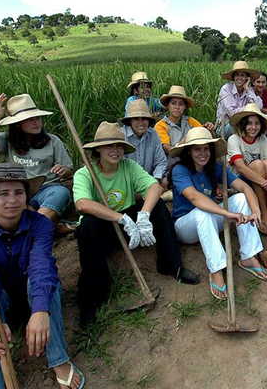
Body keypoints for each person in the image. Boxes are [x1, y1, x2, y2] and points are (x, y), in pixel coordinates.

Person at [0, 163, 84, 389]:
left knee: (49, 283)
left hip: (35, 298)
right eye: (4, 194)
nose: (13, 200)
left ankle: (58, 359)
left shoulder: (39, 224)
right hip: (4, 303)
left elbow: (42, 266)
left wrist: (39, 310)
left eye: (19, 192)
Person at [73, 122, 199, 326]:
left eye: (119, 146)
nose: (115, 151)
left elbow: (154, 187)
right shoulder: (85, 173)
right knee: (88, 224)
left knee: (157, 205)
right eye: (109, 146)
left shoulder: (128, 167)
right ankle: (93, 297)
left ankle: (171, 265)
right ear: (97, 148)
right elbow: (82, 204)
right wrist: (119, 218)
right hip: (102, 229)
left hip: (129, 224)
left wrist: (143, 216)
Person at [168, 127, 267, 300]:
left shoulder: (216, 168)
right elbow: (194, 197)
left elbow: (244, 187)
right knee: (202, 212)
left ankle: (249, 256)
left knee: (240, 199)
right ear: (189, 151)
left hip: (211, 218)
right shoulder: (180, 170)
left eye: (206, 148)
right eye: (197, 149)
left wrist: (255, 211)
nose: (203, 153)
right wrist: (227, 213)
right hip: (185, 226)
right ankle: (216, 269)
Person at [0, 93, 75, 235]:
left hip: (48, 189)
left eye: (37, 118)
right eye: (30, 119)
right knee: (8, 201)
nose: (36, 122)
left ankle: (35, 229)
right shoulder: (7, 140)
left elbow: (68, 169)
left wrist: (63, 170)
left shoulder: (52, 141)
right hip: (20, 190)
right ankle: (50, 228)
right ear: (17, 124)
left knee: (61, 193)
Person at [227, 103, 267, 234]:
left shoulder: (262, 140)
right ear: (243, 124)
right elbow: (241, 168)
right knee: (257, 164)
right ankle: (265, 213)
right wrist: (266, 183)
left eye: (257, 123)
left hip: (263, 181)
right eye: (249, 123)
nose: (253, 127)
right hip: (241, 181)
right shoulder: (234, 139)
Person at [155, 85, 214, 163]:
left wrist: (209, 129)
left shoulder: (190, 121)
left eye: (181, 104)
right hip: (173, 162)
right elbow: (166, 149)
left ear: (185, 107)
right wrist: (181, 144)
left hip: (193, 160)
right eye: (173, 103)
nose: (177, 107)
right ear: (167, 105)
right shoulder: (161, 125)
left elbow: (202, 134)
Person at [121, 99, 168, 187]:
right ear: (130, 121)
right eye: (136, 119)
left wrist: (155, 180)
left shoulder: (153, 134)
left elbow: (161, 162)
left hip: (149, 180)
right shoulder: (122, 136)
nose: (140, 123)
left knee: (165, 181)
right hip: (127, 182)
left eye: (144, 119)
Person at [216, 60, 262, 139]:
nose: (239, 78)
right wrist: (249, 109)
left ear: (247, 78)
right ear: (233, 77)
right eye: (237, 75)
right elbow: (233, 113)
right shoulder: (226, 89)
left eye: (242, 75)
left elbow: (259, 107)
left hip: (246, 123)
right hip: (226, 126)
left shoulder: (249, 90)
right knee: (243, 126)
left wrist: (247, 89)